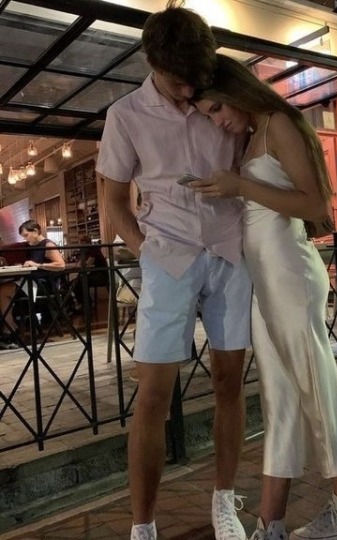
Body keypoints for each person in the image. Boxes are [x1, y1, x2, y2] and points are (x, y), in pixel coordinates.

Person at [192, 54, 337, 540]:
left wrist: (240, 185)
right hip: (265, 279)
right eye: (208, 114)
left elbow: (315, 205)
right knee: (280, 398)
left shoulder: (280, 123)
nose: (217, 120)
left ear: (235, 91)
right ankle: (270, 523)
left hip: (289, 274)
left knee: (315, 385)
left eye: (216, 108)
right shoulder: (255, 134)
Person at [95, 3, 251, 540]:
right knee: (153, 395)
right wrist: (147, 252)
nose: (189, 91)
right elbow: (114, 201)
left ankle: (224, 501)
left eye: (194, 80)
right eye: (178, 80)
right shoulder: (126, 115)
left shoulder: (219, 97)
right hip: (168, 256)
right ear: (152, 63)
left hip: (230, 251)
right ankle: (143, 525)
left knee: (230, 381)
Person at [71, 234, 109, 312]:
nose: (80, 244)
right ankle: (84, 304)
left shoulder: (94, 249)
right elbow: (81, 263)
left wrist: (81, 263)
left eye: (82, 242)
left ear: (87, 242)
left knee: (80, 282)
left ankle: (87, 305)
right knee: (74, 283)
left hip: (101, 275)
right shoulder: (86, 251)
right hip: (93, 274)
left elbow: (89, 263)